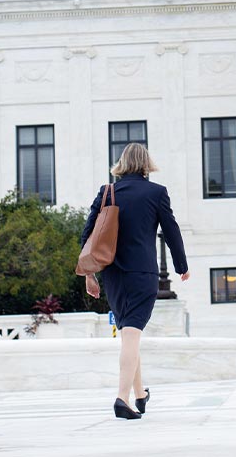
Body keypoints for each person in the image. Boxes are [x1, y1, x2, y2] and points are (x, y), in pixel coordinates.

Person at [80, 142, 189, 419]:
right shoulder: (156, 193)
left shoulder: (107, 192)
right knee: (131, 334)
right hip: (142, 273)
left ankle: (140, 394)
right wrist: (181, 266)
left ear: (122, 163)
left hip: (113, 274)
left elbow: (88, 235)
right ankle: (121, 398)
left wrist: (89, 275)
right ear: (145, 164)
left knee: (130, 334)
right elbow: (171, 230)